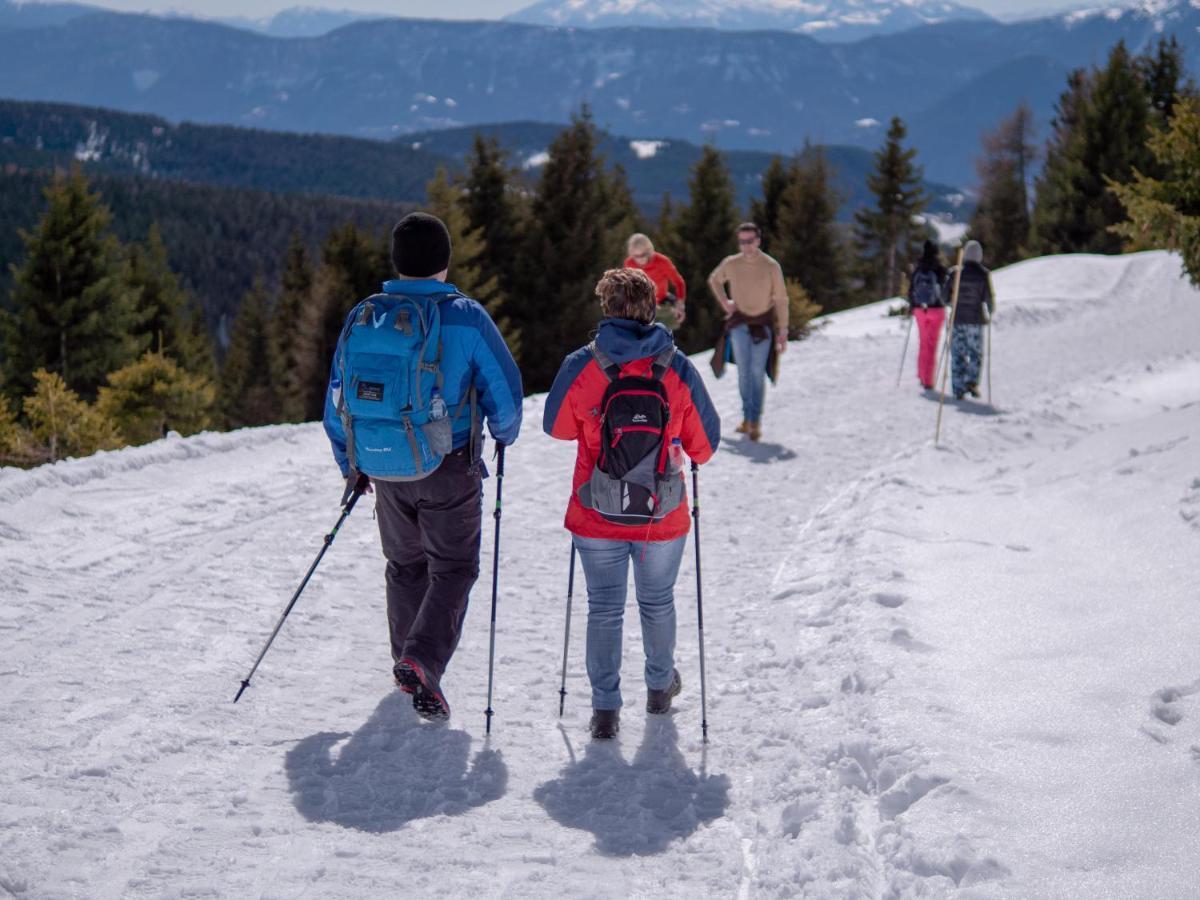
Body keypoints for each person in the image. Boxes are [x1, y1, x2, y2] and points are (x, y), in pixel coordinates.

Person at [323, 212, 523, 721]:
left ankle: (406, 662)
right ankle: (422, 661)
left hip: (384, 465)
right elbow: (506, 392)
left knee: (405, 566)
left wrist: (352, 464)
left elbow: (337, 402)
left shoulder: (366, 316)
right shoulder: (465, 316)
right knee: (454, 567)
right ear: (445, 261)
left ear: (395, 261)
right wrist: (504, 434)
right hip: (447, 463)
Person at [543, 268, 720, 740]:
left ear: (606, 307)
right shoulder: (677, 366)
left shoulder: (583, 363)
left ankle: (605, 711)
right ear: (651, 309)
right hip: (660, 512)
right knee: (657, 601)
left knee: (604, 608)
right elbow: (707, 444)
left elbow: (555, 427)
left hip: (595, 509)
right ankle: (660, 690)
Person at [707, 222, 788, 442]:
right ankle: (746, 417)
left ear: (758, 241)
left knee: (756, 371)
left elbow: (781, 299)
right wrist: (725, 302)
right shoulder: (731, 263)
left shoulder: (771, 266)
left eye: (750, 241)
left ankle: (755, 420)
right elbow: (714, 280)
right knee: (743, 371)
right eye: (742, 242)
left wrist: (783, 331)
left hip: (763, 324)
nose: (747, 246)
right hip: (739, 322)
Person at [943, 239, 995, 400]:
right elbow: (989, 298)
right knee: (975, 352)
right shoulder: (983, 275)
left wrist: (952, 302)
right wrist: (990, 310)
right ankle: (971, 381)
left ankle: (958, 387)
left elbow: (943, 297)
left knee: (958, 353)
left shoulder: (955, 273)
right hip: (976, 320)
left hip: (957, 319)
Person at [907, 240, 949, 390]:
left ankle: (921, 374)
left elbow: (911, 290)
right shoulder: (939, 269)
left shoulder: (918, 269)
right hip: (936, 310)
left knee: (923, 342)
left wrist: (912, 306)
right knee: (932, 345)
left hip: (920, 310)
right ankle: (928, 380)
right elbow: (945, 290)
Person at [624, 233, 687, 330]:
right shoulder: (629, 263)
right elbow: (629, 287)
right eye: (636, 256)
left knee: (665, 334)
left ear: (649, 251)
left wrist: (680, 304)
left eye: (643, 255)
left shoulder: (662, 261)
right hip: (642, 306)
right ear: (631, 254)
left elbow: (679, 282)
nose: (640, 259)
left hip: (663, 303)